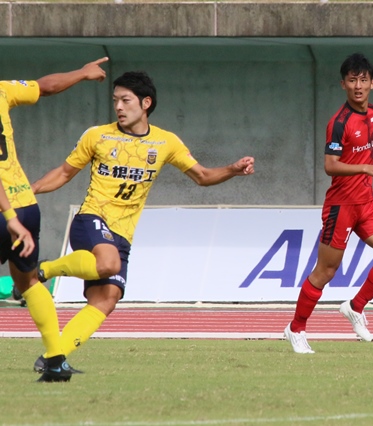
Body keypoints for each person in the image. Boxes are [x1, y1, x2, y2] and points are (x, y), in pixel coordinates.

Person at [32, 71, 255, 372]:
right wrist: (29, 190)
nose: (119, 107)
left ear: (145, 103)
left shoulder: (165, 142)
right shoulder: (97, 136)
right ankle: (45, 269)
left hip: (123, 234)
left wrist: (232, 169)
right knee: (108, 264)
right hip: (91, 219)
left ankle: (53, 358)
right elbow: (63, 172)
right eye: (115, 101)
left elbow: (202, 176)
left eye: (125, 100)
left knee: (106, 299)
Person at [284, 53, 373, 354]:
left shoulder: (372, 113)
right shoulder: (338, 123)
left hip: (366, 204)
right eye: (352, 80)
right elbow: (331, 165)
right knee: (325, 271)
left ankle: (355, 307)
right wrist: (367, 168)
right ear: (343, 84)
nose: (358, 86)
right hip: (341, 207)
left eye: (363, 80)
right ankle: (295, 329)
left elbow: (364, 147)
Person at [0, 59, 109, 382]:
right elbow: (44, 87)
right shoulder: (2, 90)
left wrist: (9, 217)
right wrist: (82, 73)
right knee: (28, 282)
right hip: (26, 204)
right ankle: (55, 360)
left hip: (8, 212)